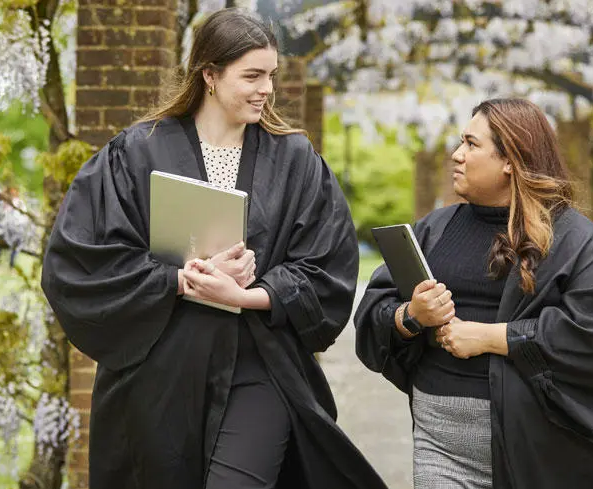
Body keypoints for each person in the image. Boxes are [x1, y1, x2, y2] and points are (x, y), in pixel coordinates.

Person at [41, 8, 387, 489]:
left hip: (259, 365)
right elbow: (80, 259)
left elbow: (326, 266)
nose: (266, 89)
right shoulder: (138, 152)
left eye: (271, 75)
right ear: (209, 75)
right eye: (252, 76)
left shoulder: (295, 160)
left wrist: (247, 294)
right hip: (160, 374)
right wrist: (181, 280)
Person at [354, 98, 593, 489]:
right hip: (440, 451)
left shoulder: (571, 239)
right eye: (460, 142)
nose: (457, 155)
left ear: (510, 160)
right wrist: (411, 315)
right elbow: (375, 312)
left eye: (471, 144)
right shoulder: (434, 230)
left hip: (540, 452)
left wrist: (494, 337)